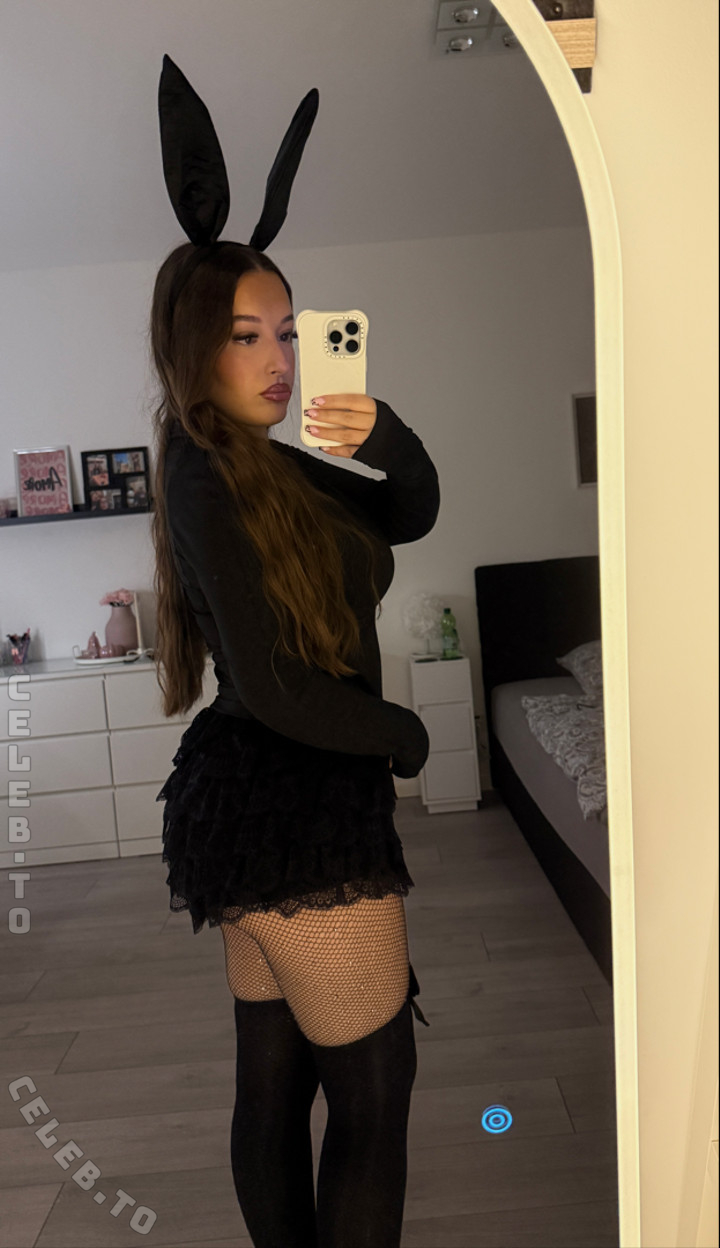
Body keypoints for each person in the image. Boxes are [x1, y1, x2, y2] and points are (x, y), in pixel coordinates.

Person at [150, 57, 440, 1248]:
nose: (277, 356)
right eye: (245, 335)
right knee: (373, 1097)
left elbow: (407, 514)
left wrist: (387, 434)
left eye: (285, 329)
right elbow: (274, 686)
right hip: (300, 802)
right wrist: (404, 733)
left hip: (253, 805)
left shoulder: (261, 462)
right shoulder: (209, 475)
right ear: (194, 347)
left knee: (274, 1085)